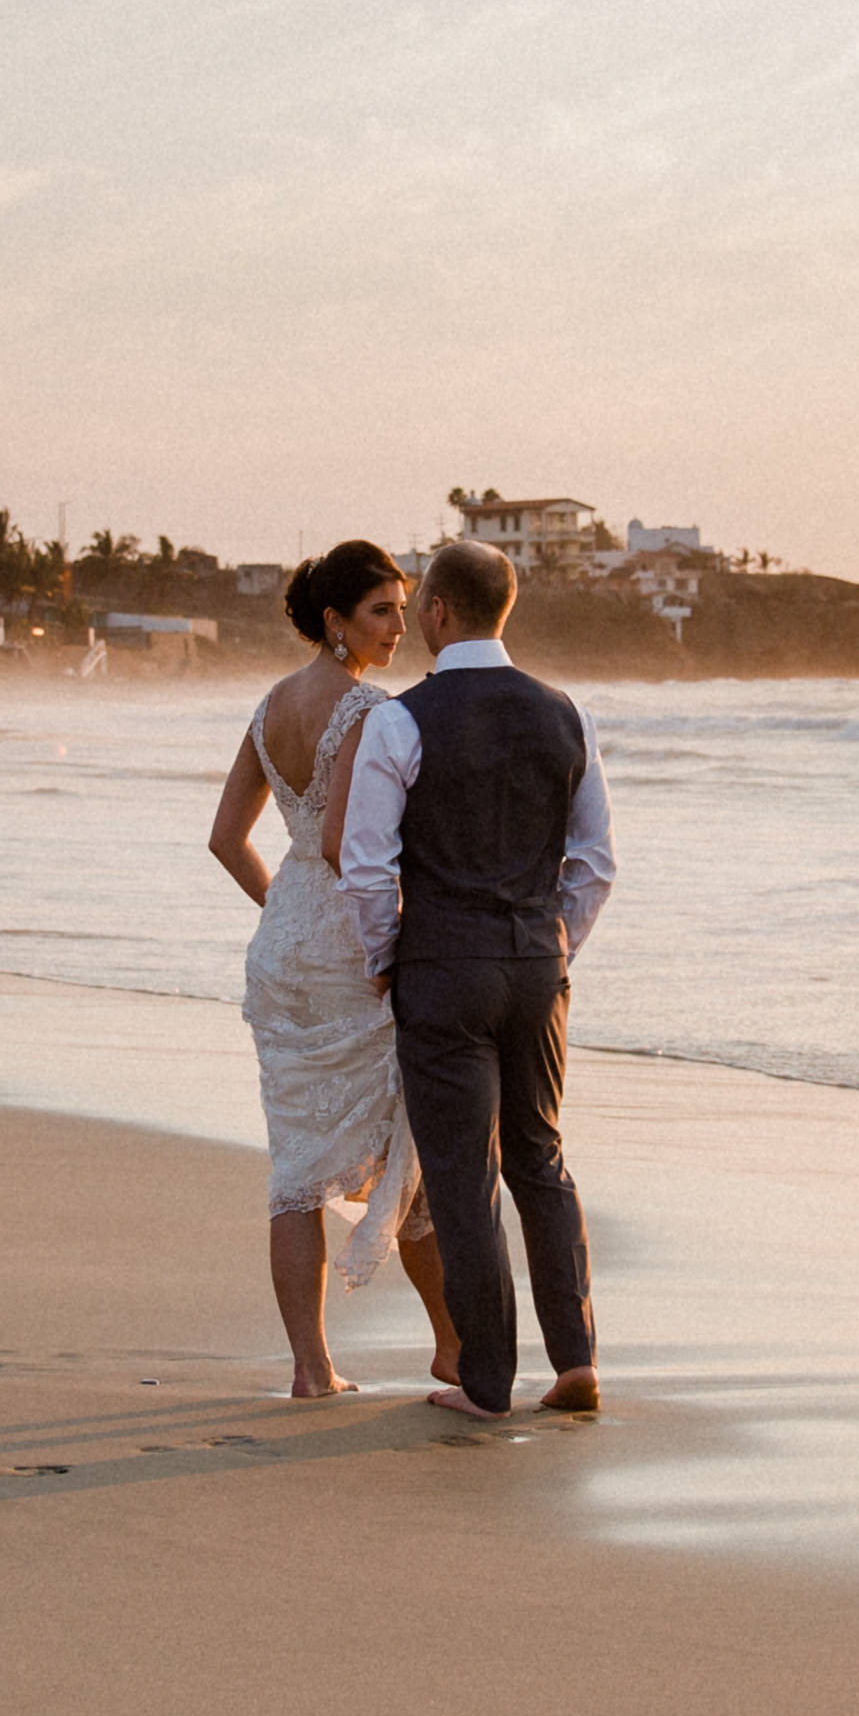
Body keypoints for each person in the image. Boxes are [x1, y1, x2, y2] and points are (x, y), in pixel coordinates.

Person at [337, 536, 614, 1419]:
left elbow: (369, 867)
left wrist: (387, 960)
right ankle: (574, 1359)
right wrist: (550, 941)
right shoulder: (567, 713)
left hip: (443, 968)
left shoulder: (400, 719)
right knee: (541, 1157)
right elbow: (597, 863)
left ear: (440, 611)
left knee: (464, 1175)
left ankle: (488, 1383)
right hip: (537, 965)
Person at [205, 539, 455, 1398]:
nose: (397, 626)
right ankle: (453, 1346)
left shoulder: (271, 705)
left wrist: (287, 909)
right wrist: (383, 940)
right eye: (380, 611)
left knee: (296, 1167)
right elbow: (357, 848)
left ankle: (311, 1369)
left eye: (401, 607)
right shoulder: (368, 711)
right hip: (351, 948)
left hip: (284, 948)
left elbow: (225, 838)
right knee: (406, 1146)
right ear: (334, 620)